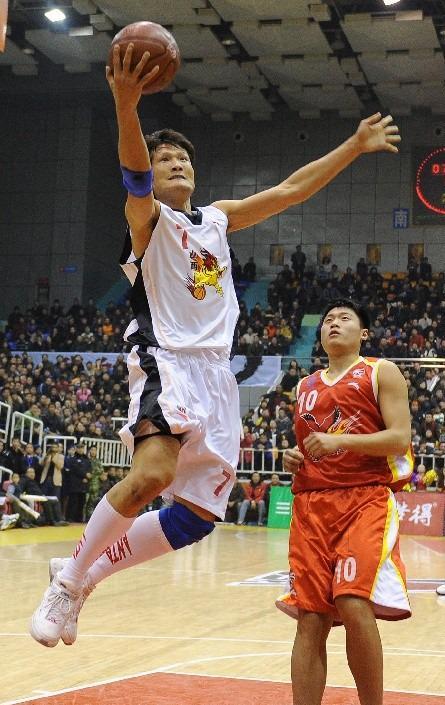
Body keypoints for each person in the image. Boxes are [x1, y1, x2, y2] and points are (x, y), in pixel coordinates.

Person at [29, 41, 401, 649]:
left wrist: (353, 147)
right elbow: (133, 174)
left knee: (196, 517)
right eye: (164, 158)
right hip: (166, 360)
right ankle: (69, 582)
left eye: (183, 158)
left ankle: (84, 574)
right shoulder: (148, 219)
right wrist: (127, 106)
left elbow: (291, 190)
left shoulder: (219, 219)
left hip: (217, 376)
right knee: (152, 475)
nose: (176, 163)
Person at [276, 299, 413, 705]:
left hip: (364, 499)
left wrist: (341, 441)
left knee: (353, 601)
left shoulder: (380, 371)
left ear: (363, 333)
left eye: (344, 318)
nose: (333, 323)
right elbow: (312, 446)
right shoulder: (305, 386)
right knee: (311, 617)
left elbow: (399, 438)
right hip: (311, 505)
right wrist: (293, 457)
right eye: (328, 320)